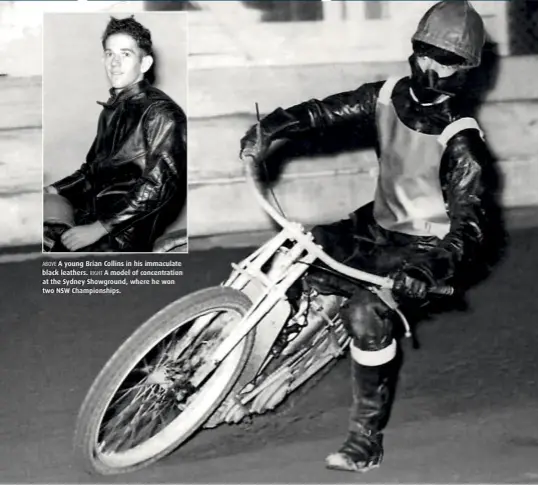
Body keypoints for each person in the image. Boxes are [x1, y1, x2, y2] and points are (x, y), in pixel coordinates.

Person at [240, 0, 494, 473]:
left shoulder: (462, 140)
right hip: (373, 227)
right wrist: (272, 127)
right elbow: (323, 113)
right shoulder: (386, 95)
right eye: (424, 52)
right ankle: (245, 349)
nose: (429, 66)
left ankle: (365, 438)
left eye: (446, 60)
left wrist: (429, 268)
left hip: (420, 253)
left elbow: (470, 226)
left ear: (466, 71)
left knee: (365, 316)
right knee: (299, 248)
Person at [43, 16, 187, 253]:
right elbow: (91, 171)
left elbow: (159, 186)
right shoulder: (112, 108)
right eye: (110, 54)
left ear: (145, 63)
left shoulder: (162, 113)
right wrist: (55, 190)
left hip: (123, 234)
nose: (115, 63)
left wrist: (100, 228)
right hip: (95, 215)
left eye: (126, 54)